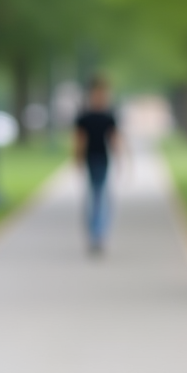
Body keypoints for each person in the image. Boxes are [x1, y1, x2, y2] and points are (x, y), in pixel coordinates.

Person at [73, 76, 121, 254]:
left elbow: (115, 140)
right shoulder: (84, 117)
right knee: (94, 197)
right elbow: (79, 141)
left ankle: (98, 234)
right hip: (90, 159)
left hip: (103, 159)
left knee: (101, 196)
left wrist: (121, 160)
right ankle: (95, 234)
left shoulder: (109, 116)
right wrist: (77, 161)